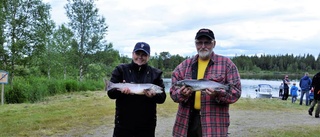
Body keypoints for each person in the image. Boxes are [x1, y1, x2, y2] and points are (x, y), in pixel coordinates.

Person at [170, 28, 242, 137]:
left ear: (214, 43)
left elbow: (236, 92)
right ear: (195, 44)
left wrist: (218, 94)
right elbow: (173, 93)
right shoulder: (183, 66)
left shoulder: (227, 64)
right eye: (199, 42)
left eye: (207, 42)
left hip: (214, 124)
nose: (203, 46)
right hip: (186, 123)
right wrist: (181, 93)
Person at [107, 42, 166, 137]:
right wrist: (121, 92)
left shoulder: (156, 73)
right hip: (123, 123)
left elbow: (162, 97)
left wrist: (154, 96)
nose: (140, 57)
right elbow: (111, 94)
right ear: (132, 54)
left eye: (144, 55)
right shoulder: (121, 70)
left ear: (148, 57)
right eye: (137, 54)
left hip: (147, 124)